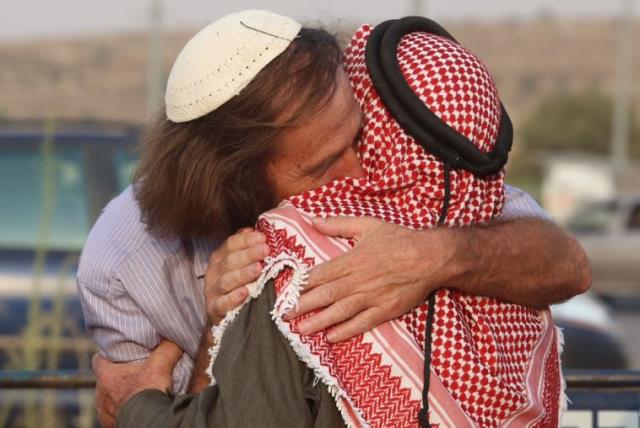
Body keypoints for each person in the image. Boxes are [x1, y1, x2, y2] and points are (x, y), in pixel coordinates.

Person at [80, 10, 590, 427]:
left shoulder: (401, 181)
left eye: (358, 138)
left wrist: (437, 255)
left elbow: (566, 264)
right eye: (323, 165)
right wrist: (216, 328)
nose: (360, 172)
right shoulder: (127, 261)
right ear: (233, 180)